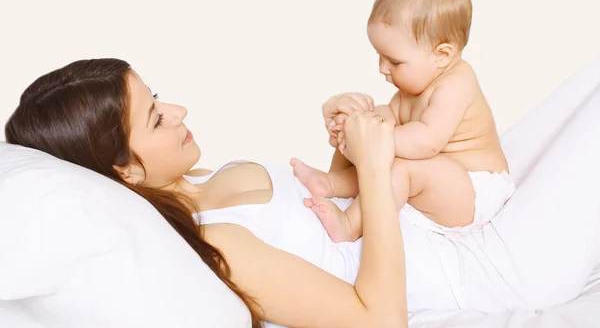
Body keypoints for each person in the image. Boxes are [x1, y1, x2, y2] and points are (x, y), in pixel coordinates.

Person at [4, 58, 408, 328]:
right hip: (433, 277)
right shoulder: (219, 242)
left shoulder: (199, 176)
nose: (178, 110)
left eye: (158, 97)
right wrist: (372, 168)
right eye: (157, 118)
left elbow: (329, 224)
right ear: (125, 168)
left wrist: (346, 138)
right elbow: (380, 320)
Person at [291, 0, 514, 243]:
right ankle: (332, 183)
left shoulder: (457, 83)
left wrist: (371, 137)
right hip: (439, 179)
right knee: (375, 124)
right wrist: (355, 119)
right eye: (379, 56)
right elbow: (391, 125)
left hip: (472, 191)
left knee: (398, 163)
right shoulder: (413, 86)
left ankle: (350, 224)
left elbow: (427, 140)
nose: (382, 68)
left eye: (394, 61)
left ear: (442, 55)